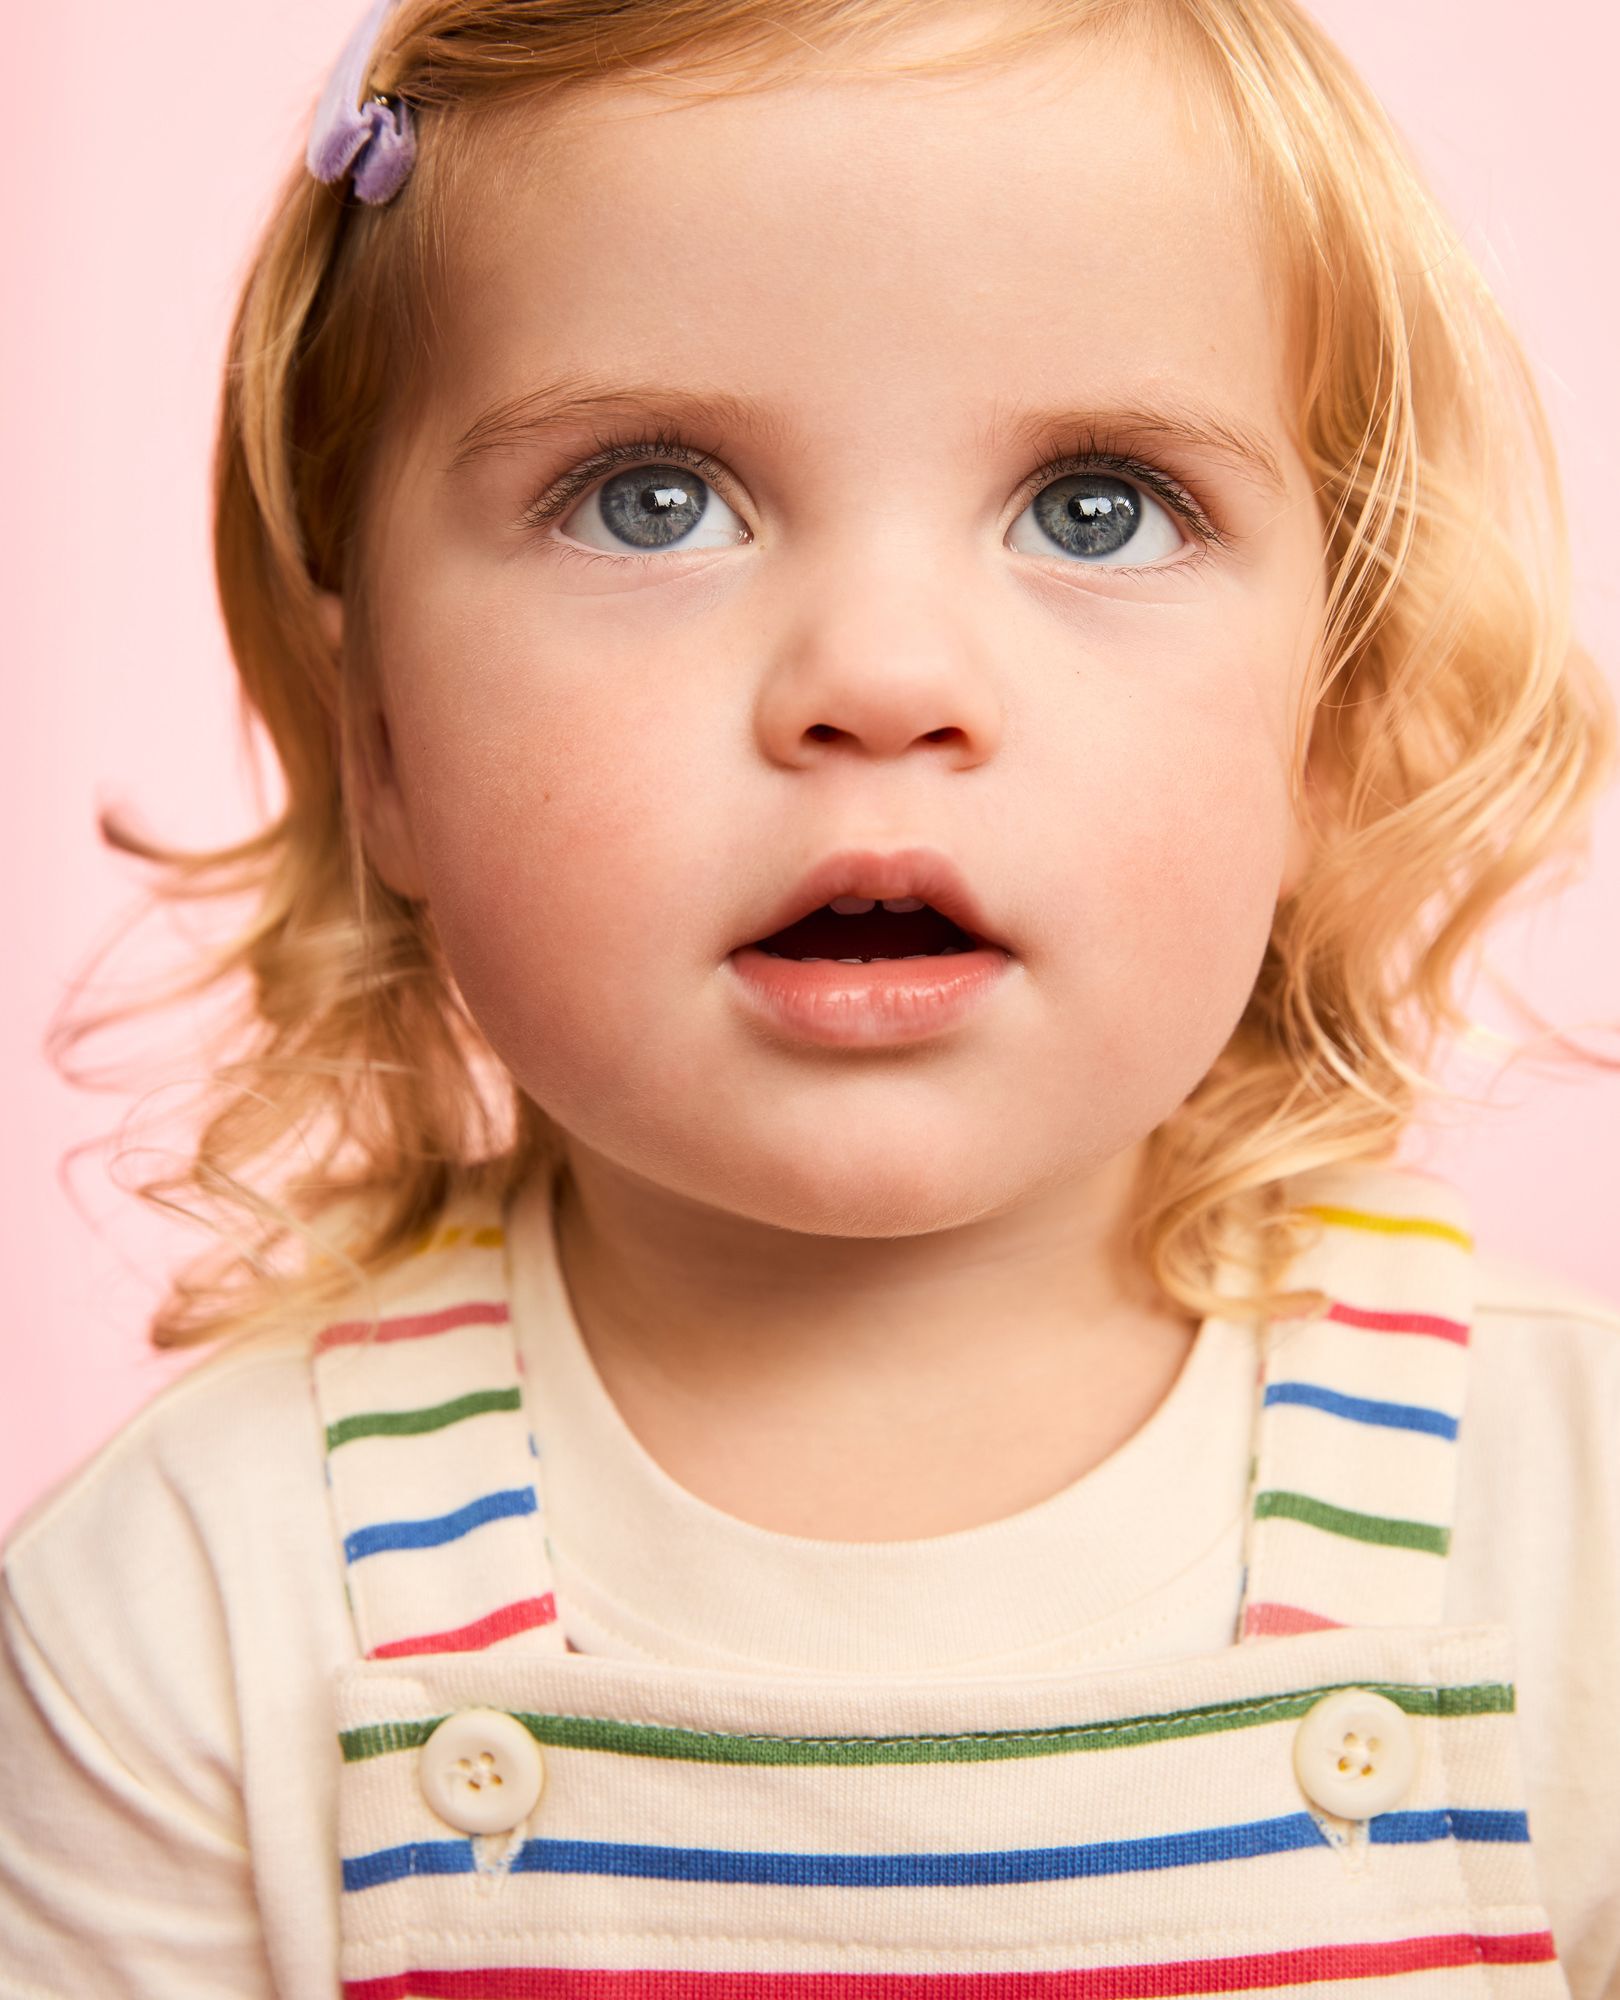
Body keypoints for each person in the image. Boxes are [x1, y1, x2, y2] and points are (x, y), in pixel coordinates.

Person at [3, 0, 1617, 1991]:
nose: (879, 674)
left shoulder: (1566, 1516)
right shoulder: (191, 1609)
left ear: (1331, 725)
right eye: (651, 498)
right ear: (381, 735)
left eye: (1095, 506)